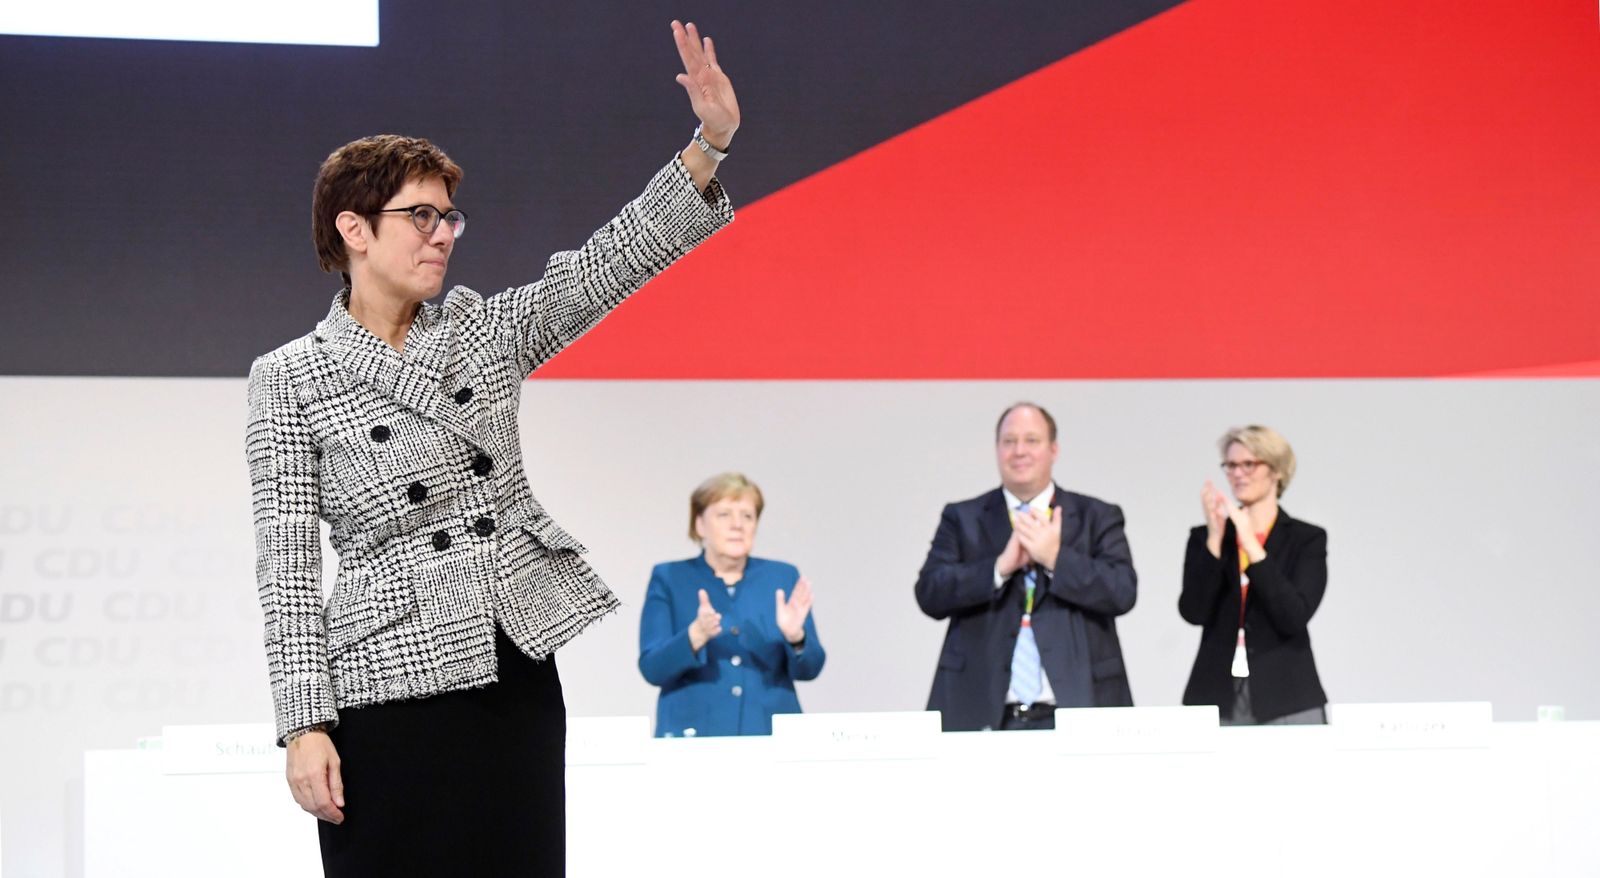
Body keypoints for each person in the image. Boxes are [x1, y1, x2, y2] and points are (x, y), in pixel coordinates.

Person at [243, 21, 739, 875]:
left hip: (508, 665)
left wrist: (710, 145)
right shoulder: (290, 376)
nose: (442, 234)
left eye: (450, 217)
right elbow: (286, 567)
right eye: (420, 216)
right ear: (354, 230)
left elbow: (602, 266)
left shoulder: (480, 328)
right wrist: (303, 724)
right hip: (383, 688)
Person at [914, 402, 1137, 731]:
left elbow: (1122, 591)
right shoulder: (963, 518)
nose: (1019, 451)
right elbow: (930, 593)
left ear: (1053, 449)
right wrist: (998, 568)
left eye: (1031, 440)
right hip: (983, 714)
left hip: (1076, 709)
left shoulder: (1096, 516)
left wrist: (1055, 559)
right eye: (1009, 441)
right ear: (997, 449)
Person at [638, 473, 825, 737]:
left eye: (747, 516)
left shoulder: (782, 577)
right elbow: (652, 669)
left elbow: (811, 669)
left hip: (769, 734)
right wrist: (695, 636)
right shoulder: (669, 577)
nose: (737, 525)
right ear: (700, 524)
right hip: (693, 737)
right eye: (724, 514)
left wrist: (796, 638)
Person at [1180, 425, 1329, 725]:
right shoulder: (1207, 537)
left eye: (1249, 464)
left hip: (1287, 692)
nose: (1238, 473)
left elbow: (1293, 615)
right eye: (1231, 465)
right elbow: (1194, 611)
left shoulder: (1305, 538)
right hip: (1215, 692)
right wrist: (1214, 539)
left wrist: (1252, 546)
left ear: (1276, 470)